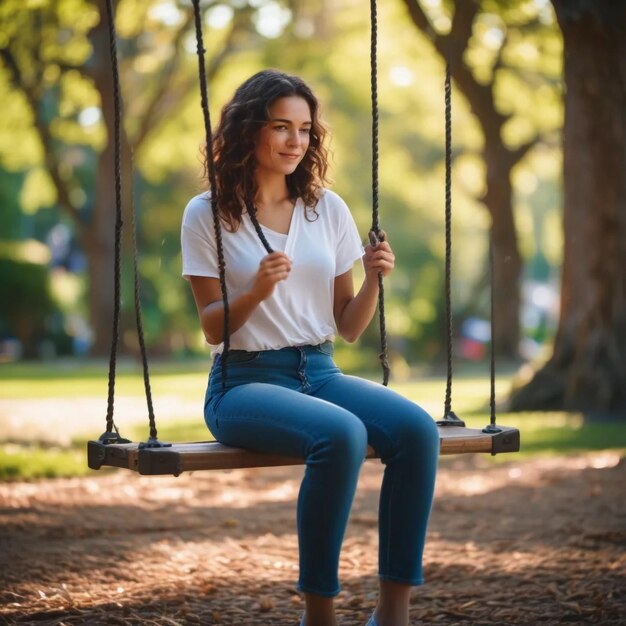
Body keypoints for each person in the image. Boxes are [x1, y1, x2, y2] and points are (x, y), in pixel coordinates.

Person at [181, 69, 439, 626]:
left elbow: (347, 326)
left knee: (417, 431)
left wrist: (373, 279)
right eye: (280, 126)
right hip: (243, 383)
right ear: (250, 130)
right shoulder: (207, 213)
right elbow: (210, 326)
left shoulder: (328, 210)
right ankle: (319, 616)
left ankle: (392, 614)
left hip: (319, 371)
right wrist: (255, 291)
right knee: (340, 433)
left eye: (304, 128)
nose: (295, 140)